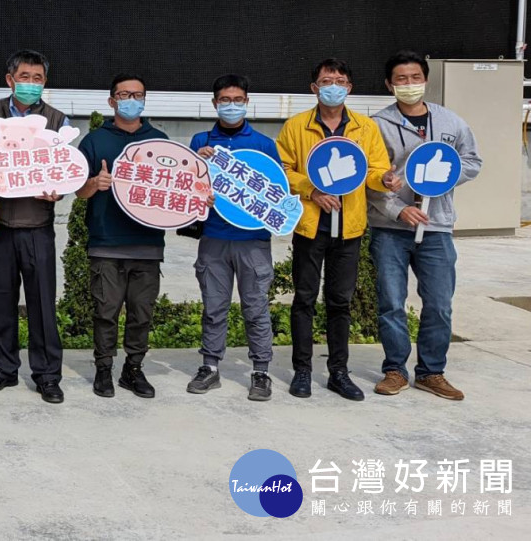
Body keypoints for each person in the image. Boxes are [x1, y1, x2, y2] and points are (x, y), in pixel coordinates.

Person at [276, 58, 399, 401]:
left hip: (349, 228)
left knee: (339, 302)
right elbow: (281, 170)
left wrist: (385, 179)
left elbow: (374, 170)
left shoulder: (365, 127)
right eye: (326, 81)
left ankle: (338, 373)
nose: (334, 86)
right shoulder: (296, 126)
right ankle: (302, 370)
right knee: (303, 299)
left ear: (349, 88)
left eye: (340, 81)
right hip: (311, 227)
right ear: (314, 88)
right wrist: (311, 190)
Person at [368, 51, 482, 401]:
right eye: (401, 79)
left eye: (415, 77)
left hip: (437, 227)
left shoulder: (451, 122)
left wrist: (445, 178)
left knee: (439, 303)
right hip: (391, 230)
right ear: (389, 84)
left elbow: (472, 161)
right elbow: (369, 179)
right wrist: (398, 210)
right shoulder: (376, 125)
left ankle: (431, 371)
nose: (409, 84)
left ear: (425, 80)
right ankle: (395, 370)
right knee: (391, 302)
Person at [0, 50, 70, 403]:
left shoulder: (57, 119)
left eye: (37, 78)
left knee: (42, 302)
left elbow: (67, 167)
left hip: (38, 225)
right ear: (10, 80)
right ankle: (3, 369)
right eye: (24, 77)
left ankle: (47, 375)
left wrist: (60, 190)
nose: (30, 83)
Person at [186, 74, 279, 402]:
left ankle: (261, 372)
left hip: (253, 240)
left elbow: (276, 194)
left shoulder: (264, 144)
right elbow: (187, 192)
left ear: (247, 102)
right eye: (225, 100)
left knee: (255, 307)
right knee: (214, 306)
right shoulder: (200, 142)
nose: (231, 105)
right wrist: (202, 186)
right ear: (214, 103)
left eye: (237, 100)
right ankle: (210, 367)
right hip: (213, 237)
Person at [75, 75, 167, 400]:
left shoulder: (159, 141)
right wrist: (94, 184)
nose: (131, 99)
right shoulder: (95, 141)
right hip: (106, 243)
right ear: (112, 100)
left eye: (138, 94)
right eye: (124, 94)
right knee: (106, 311)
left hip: (148, 244)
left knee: (142, 313)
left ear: (145, 99)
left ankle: (133, 369)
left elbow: (174, 190)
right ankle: (103, 369)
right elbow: (78, 190)